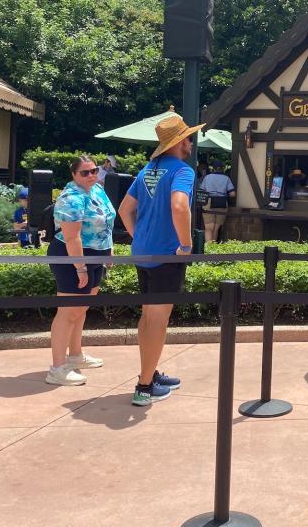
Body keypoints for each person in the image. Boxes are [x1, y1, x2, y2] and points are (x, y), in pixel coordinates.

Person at [118, 115, 202, 406]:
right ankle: (143, 386)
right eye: (189, 138)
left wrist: (139, 237)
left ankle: (150, 373)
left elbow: (124, 209)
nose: (191, 143)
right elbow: (179, 205)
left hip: (144, 253)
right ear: (179, 142)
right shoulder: (183, 170)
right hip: (167, 255)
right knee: (158, 318)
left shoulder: (147, 170)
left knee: (148, 316)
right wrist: (186, 244)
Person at [44, 155, 116, 386]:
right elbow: (72, 237)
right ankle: (57, 368)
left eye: (94, 170)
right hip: (72, 258)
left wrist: (109, 250)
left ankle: (75, 355)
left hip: (95, 256)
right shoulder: (71, 197)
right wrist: (80, 268)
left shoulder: (97, 190)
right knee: (68, 313)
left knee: (81, 308)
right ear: (74, 174)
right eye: (85, 172)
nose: (91, 175)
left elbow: (106, 221)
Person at [199, 159, 235, 244]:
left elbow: (201, 191)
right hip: (222, 203)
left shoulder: (207, 177)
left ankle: (208, 250)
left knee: (208, 228)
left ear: (213, 168)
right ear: (222, 168)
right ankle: (214, 251)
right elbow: (232, 194)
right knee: (216, 229)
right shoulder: (226, 178)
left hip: (208, 202)